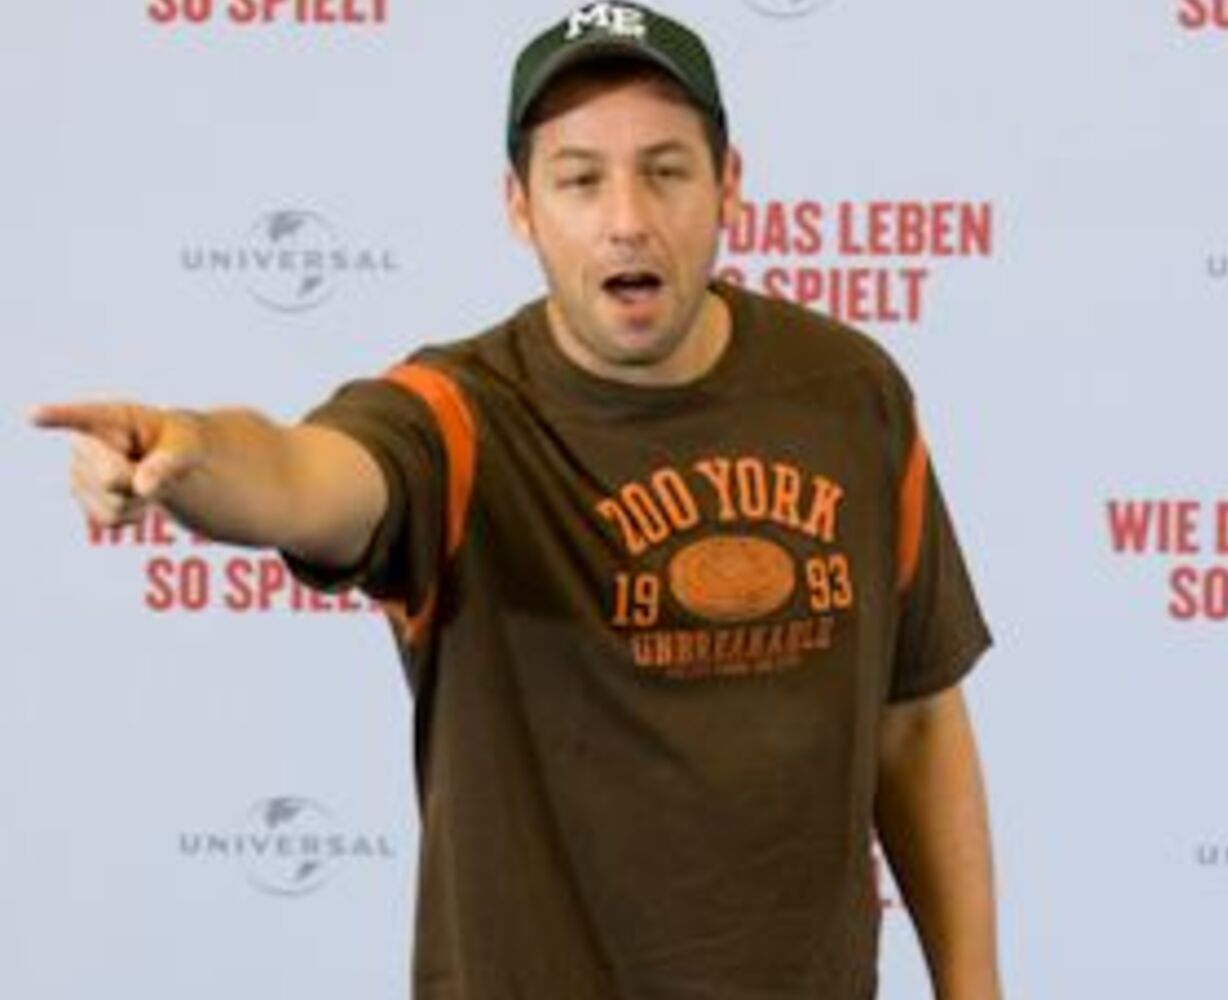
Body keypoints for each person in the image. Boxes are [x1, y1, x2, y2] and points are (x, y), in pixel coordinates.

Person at [35, 4, 1003, 998]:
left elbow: (915, 720)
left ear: (730, 186)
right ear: (520, 207)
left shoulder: (848, 395)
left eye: (666, 170)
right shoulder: (457, 420)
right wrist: (191, 452)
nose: (627, 217)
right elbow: (302, 476)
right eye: (580, 179)